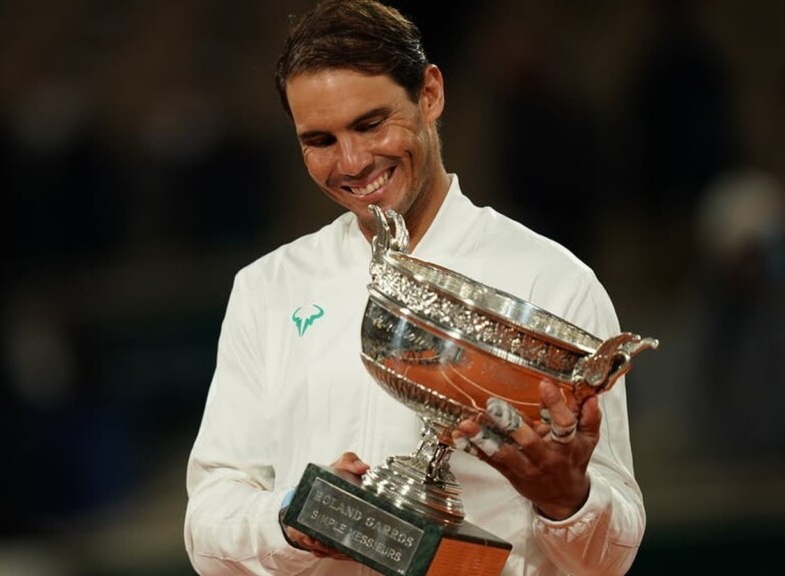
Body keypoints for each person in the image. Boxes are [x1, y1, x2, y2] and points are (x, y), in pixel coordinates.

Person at [183, 1, 645, 574]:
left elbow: (612, 556)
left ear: (430, 94)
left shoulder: (552, 282)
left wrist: (565, 500)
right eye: (320, 140)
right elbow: (207, 523)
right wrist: (294, 522)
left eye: (371, 124)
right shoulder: (268, 288)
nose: (351, 162)